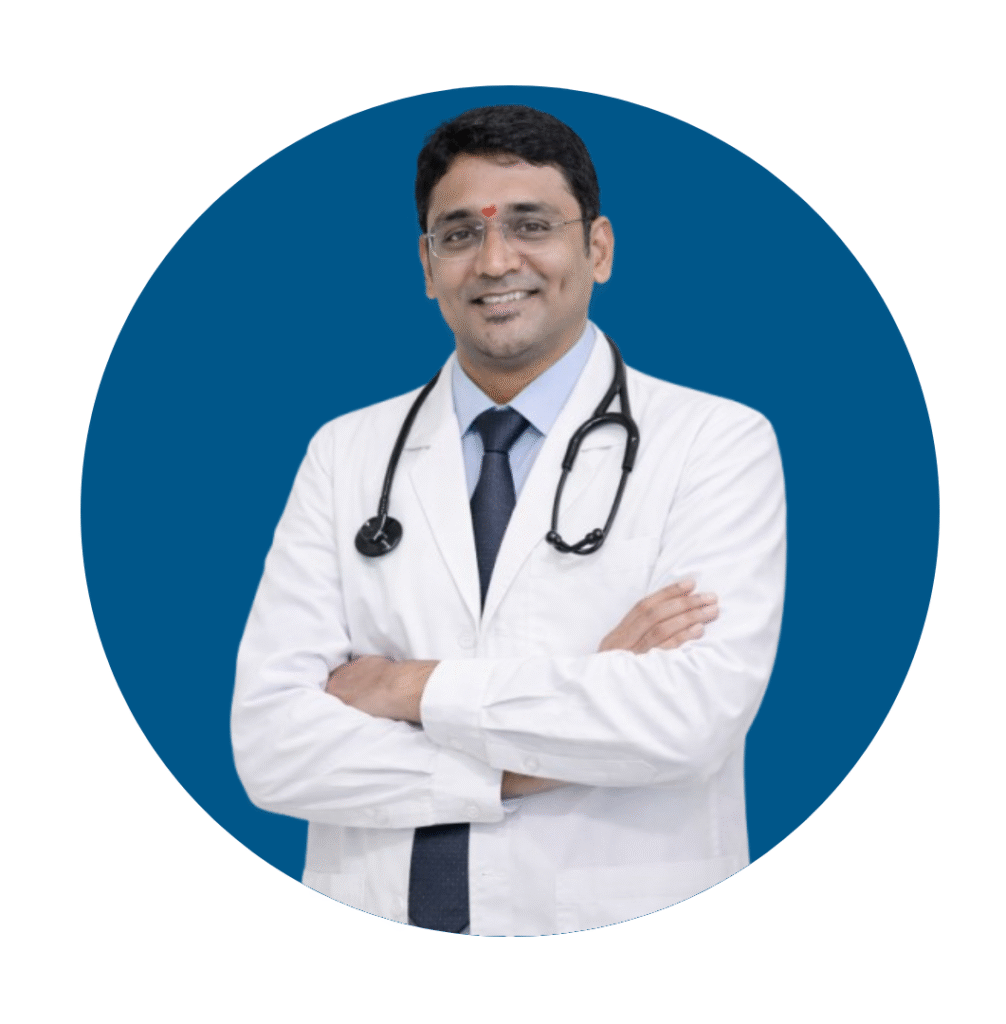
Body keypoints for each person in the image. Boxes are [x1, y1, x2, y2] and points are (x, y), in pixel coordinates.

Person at [232, 105, 786, 936]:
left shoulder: (715, 442)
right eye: (460, 234)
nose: (495, 261)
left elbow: (687, 720)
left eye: (532, 225)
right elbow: (274, 748)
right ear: (428, 265)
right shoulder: (345, 453)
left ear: (598, 248)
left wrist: (401, 688)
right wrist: (546, 743)